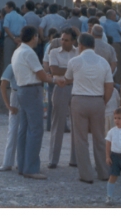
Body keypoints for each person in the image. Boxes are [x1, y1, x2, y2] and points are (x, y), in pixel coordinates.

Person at [55, 33, 113, 184]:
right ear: (94, 46)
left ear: (80, 45)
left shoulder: (75, 61)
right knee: (99, 138)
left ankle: (86, 174)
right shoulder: (103, 62)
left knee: (81, 139)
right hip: (97, 100)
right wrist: (103, 101)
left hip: (79, 100)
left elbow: (68, 79)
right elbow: (109, 86)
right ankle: (103, 172)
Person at [11, 25, 53, 180]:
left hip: (22, 90)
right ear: (34, 36)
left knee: (24, 129)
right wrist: (54, 79)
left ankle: (23, 165)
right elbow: (42, 76)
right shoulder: (29, 53)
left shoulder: (17, 51)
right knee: (36, 130)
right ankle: (31, 168)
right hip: (31, 91)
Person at [47, 28, 79, 169]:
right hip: (60, 88)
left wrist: (65, 71)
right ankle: (53, 160)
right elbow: (54, 70)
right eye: (62, 39)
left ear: (73, 41)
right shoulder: (54, 52)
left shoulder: (79, 52)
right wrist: (72, 71)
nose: (63, 42)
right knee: (57, 123)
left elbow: (62, 70)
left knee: (77, 125)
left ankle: (75, 159)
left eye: (66, 40)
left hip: (76, 88)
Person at [0, 62, 20, 172]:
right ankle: (7, 162)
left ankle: (22, 162)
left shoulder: (31, 63)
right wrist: (8, 105)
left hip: (28, 94)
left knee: (25, 130)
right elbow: (3, 85)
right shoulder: (12, 66)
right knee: (13, 129)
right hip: (16, 93)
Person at [2, 1, 25, 72]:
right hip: (20, 39)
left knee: (8, 60)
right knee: (18, 60)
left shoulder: (8, 16)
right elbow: (24, 29)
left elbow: (6, 27)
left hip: (10, 38)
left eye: (6, 7)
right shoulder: (22, 17)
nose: (5, 9)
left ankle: (7, 80)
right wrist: (20, 38)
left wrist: (13, 38)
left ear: (11, 8)